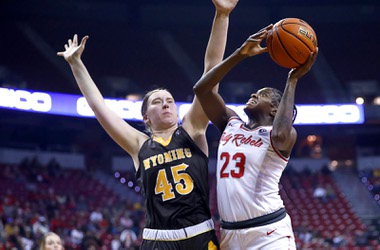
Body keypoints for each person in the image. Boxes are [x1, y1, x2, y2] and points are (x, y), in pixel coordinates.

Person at [57, 0, 239, 249]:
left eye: (169, 101)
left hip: (200, 235)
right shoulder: (138, 144)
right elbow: (99, 106)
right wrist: (76, 64)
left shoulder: (193, 129)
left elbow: (211, 73)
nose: (165, 104)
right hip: (158, 240)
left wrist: (222, 15)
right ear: (146, 117)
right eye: (157, 102)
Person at [194, 25, 318, 249]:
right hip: (230, 234)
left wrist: (292, 80)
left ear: (274, 110)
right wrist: (239, 54)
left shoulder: (282, 135)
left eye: (262, 95)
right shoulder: (230, 123)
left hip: (269, 232)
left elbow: (280, 133)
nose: (253, 94)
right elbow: (202, 89)